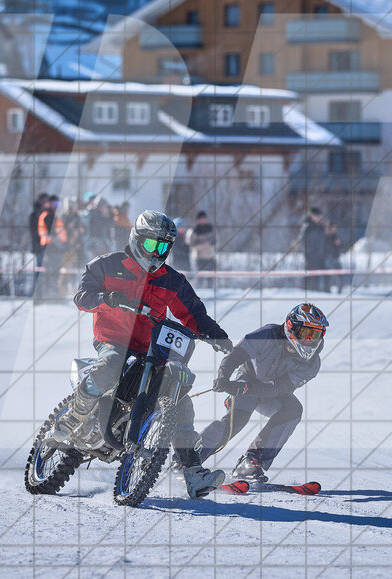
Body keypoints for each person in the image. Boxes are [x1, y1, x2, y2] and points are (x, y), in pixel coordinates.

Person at [53, 210, 233, 498]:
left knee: (179, 399)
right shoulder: (108, 265)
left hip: (153, 347)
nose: (157, 252)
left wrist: (216, 334)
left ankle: (193, 472)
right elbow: (82, 296)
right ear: (137, 239)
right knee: (111, 364)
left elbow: (194, 314)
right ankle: (74, 417)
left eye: (163, 247)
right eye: (152, 245)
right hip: (113, 340)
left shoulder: (172, 280)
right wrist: (104, 298)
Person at [198, 303, 328, 482]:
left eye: (315, 336)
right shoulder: (266, 335)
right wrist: (224, 378)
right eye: (305, 334)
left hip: (271, 391)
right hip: (248, 377)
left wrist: (245, 389)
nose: (309, 340)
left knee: (293, 411)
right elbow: (235, 355)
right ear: (291, 327)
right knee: (237, 421)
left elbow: (279, 388)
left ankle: (251, 462)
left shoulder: (312, 364)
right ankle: (189, 459)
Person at [36, 195, 67, 298]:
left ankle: (53, 294)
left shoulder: (53, 215)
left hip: (54, 248)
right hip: (50, 248)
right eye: (55, 204)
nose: (57, 206)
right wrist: (59, 244)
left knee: (54, 272)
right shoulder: (48, 216)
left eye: (58, 204)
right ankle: (51, 295)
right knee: (52, 272)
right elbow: (51, 234)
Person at [297, 208, 329, 292]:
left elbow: (325, 242)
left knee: (325, 275)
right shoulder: (307, 227)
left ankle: (325, 293)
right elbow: (303, 242)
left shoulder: (321, 228)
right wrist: (309, 254)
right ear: (312, 216)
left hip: (321, 257)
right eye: (318, 216)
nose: (320, 218)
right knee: (311, 278)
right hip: (311, 257)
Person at [188, 211, 216, 288]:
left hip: (210, 257)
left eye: (204, 218)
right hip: (199, 258)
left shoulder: (211, 229)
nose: (203, 220)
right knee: (200, 278)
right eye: (201, 219)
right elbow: (192, 245)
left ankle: (210, 293)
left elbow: (216, 241)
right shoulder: (195, 231)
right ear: (198, 220)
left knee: (210, 278)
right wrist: (201, 245)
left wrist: (210, 244)